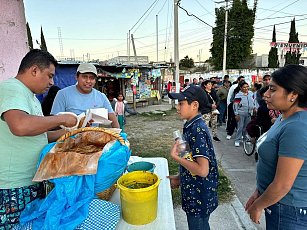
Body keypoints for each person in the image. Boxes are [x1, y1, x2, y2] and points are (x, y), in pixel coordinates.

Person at [0, 49, 78, 229]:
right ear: (34, 70)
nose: (52, 82)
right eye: (49, 76)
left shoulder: (31, 98)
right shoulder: (12, 88)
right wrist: (61, 119)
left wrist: (72, 132)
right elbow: (20, 126)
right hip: (13, 187)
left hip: (31, 180)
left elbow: (39, 135)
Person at [245, 65, 307, 229]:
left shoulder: (297, 127)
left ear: (293, 94)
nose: (265, 94)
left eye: (272, 89)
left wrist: (258, 206)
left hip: (289, 211)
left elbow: (282, 184)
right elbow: (271, 166)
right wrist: (259, 193)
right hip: (278, 204)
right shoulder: (283, 118)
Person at [167, 85, 218, 230]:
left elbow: (202, 170)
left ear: (194, 105)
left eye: (181, 103)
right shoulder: (191, 125)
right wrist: (180, 177)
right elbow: (191, 160)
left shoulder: (198, 129)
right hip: (194, 191)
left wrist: (176, 157)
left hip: (199, 195)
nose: (177, 107)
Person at [51, 63, 120, 128]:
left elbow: (112, 117)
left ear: (95, 80)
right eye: (84, 77)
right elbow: (53, 122)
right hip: (69, 137)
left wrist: (120, 135)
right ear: (76, 77)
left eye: (92, 78)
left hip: (93, 138)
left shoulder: (101, 96)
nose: (88, 81)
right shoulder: (63, 94)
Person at [233, 81, 255, 147]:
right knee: (240, 127)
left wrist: (254, 108)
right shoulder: (238, 95)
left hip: (249, 113)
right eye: (244, 87)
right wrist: (236, 114)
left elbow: (253, 102)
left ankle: (245, 139)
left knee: (247, 127)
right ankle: (237, 140)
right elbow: (235, 105)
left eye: (247, 87)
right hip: (241, 113)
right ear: (241, 88)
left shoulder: (251, 93)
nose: (246, 88)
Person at [226, 76, 245, 140]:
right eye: (241, 80)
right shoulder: (235, 89)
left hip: (243, 108)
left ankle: (241, 135)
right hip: (235, 107)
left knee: (242, 123)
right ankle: (229, 133)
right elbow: (231, 98)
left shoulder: (247, 92)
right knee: (233, 120)